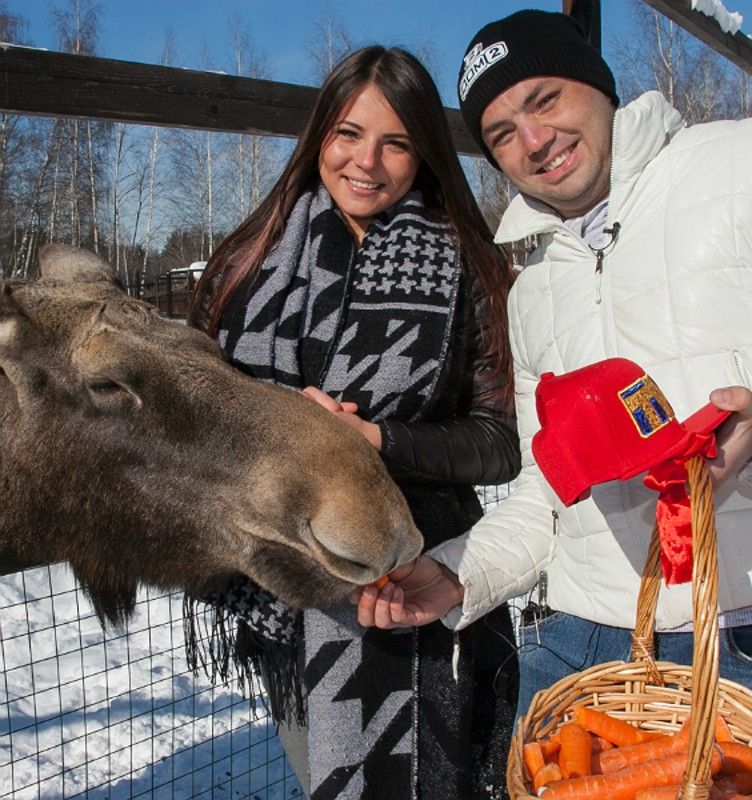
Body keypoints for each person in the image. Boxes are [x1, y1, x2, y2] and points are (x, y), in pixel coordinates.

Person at [354, 10, 752, 736]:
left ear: (599, 86)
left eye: (545, 100)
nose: (534, 142)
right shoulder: (530, 290)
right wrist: (459, 573)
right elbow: (548, 489)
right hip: (579, 645)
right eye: (501, 134)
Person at [186, 46, 521, 800]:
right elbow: (194, 413)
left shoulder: (467, 261)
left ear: (424, 153)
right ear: (318, 138)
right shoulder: (249, 260)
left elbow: (501, 443)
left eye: (396, 142)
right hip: (290, 591)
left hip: (431, 581)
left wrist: (373, 442)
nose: (366, 161)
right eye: (347, 133)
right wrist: (284, 427)